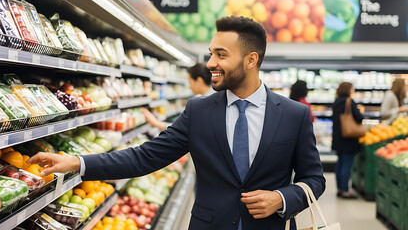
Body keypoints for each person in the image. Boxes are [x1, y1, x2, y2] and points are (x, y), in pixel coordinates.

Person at [28, 16, 325, 230]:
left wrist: (282, 198)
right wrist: (77, 163)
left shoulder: (292, 114)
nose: (210, 63)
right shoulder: (199, 111)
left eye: (221, 55)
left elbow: (315, 179)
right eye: (211, 53)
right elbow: (144, 157)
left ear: (251, 60)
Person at [142, 63, 214, 131]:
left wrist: (158, 124)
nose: (189, 86)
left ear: (199, 81)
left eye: (190, 82)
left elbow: (188, 130)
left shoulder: (208, 104)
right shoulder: (210, 99)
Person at [332, 82, 364, 199]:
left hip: (338, 139)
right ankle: (346, 191)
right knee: (347, 164)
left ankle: (340, 189)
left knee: (340, 163)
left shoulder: (336, 102)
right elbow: (359, 118)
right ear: (348, 90)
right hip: (349, 139)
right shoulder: (349, 102)